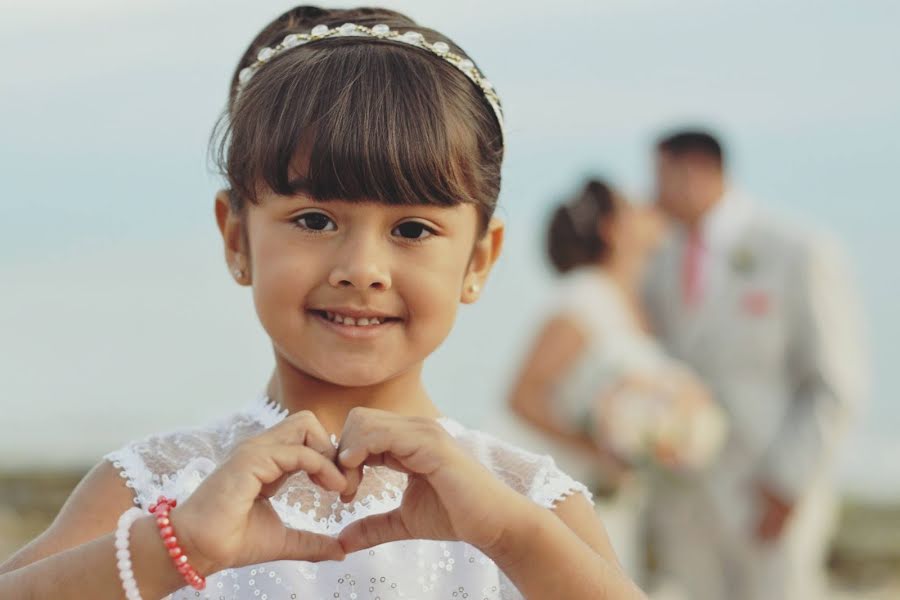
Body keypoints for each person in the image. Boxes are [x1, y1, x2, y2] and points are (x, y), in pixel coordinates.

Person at [0, 6, 647, 600]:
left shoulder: (522, 502)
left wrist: (513, 540)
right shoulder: (155, 486)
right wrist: (178, 545)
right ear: (236, 236)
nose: (361, 270)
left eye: (412, 230)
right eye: (314, 220)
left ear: (478, 259)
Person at [643, 129, 867, 599]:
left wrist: (789, 483)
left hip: (768, 498)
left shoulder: (798, 251)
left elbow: (836, 382)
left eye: (659, 176)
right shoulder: (658, 261)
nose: (652, 193)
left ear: (694, 171)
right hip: (688, 506)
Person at [507, 179, 723, 580]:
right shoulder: (583, 298)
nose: (649, 209)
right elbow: (522, 397)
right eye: (634, 206)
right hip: (573, 491)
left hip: (614, 498)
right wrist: (598, 444)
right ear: (612, 228)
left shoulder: (636, 301)